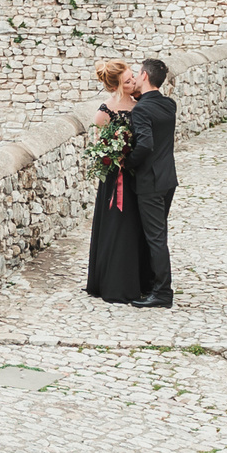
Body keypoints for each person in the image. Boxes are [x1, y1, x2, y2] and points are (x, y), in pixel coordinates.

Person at [84, 60, 150, 303]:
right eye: (128, 80)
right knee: (118, 227)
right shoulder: (105, 111)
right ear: (117, 86)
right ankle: (115, 283)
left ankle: (141, 280)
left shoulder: (141, 104)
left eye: (133, 77)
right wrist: (116, 155)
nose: (134, 82)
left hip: (138, 173)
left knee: (137, 227)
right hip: (116, 177)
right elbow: (99, 146)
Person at [125, 58, 180, 308]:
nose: (135, 77)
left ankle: (162, 292)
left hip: (150, 182)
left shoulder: (141, 110)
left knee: (156, 238)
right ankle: (150, 283)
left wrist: (127, 163)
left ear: (145, 76)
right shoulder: (169, 104)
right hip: (168, 178)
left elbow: (145, 144)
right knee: (157, 235)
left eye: (137, 73)